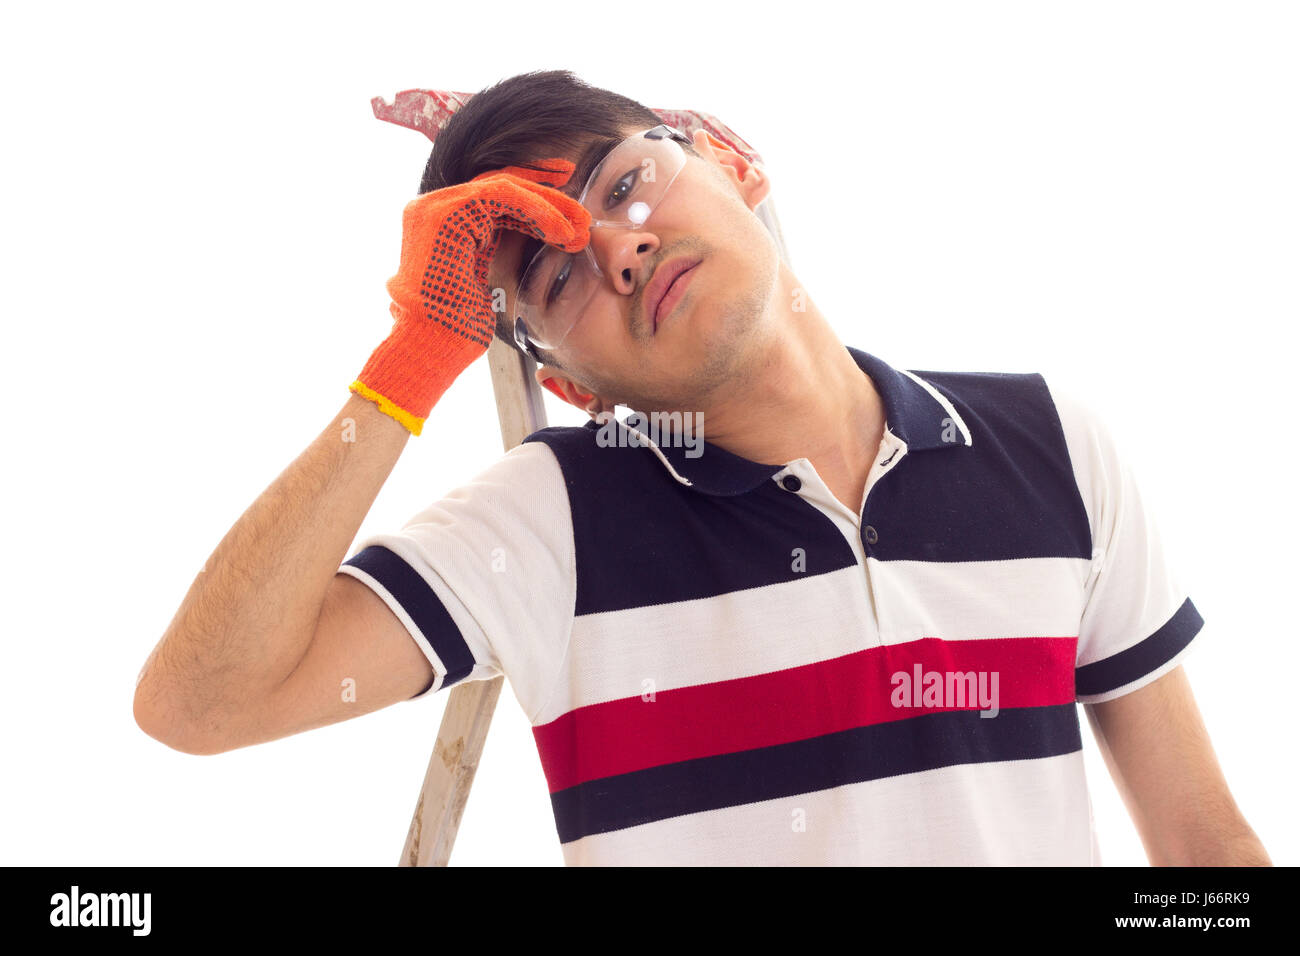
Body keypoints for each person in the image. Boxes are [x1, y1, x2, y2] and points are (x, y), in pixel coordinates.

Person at [134, 69, 1271, 867]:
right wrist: (418, 344)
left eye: (623, 183)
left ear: (727, 160)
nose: (618, 246)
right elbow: (200, 702)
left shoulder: (1052, 445)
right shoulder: (551, 522)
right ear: (571, 380)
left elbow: (1204, 850)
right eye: (557, 276)